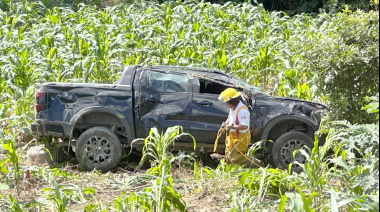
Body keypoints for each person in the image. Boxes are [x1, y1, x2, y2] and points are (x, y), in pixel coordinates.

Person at [218, 88, 257, 167]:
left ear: (231, 101)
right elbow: (230, 118)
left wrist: (232, 127)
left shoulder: (243, 111)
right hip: (233, 136)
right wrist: (225, 124)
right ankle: (232, 169)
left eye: (226, 101)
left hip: (241, 137)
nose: (225, 103)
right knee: (229, 154)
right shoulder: (232, 108)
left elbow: (244, 126)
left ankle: (256, 163)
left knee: (235, 157)